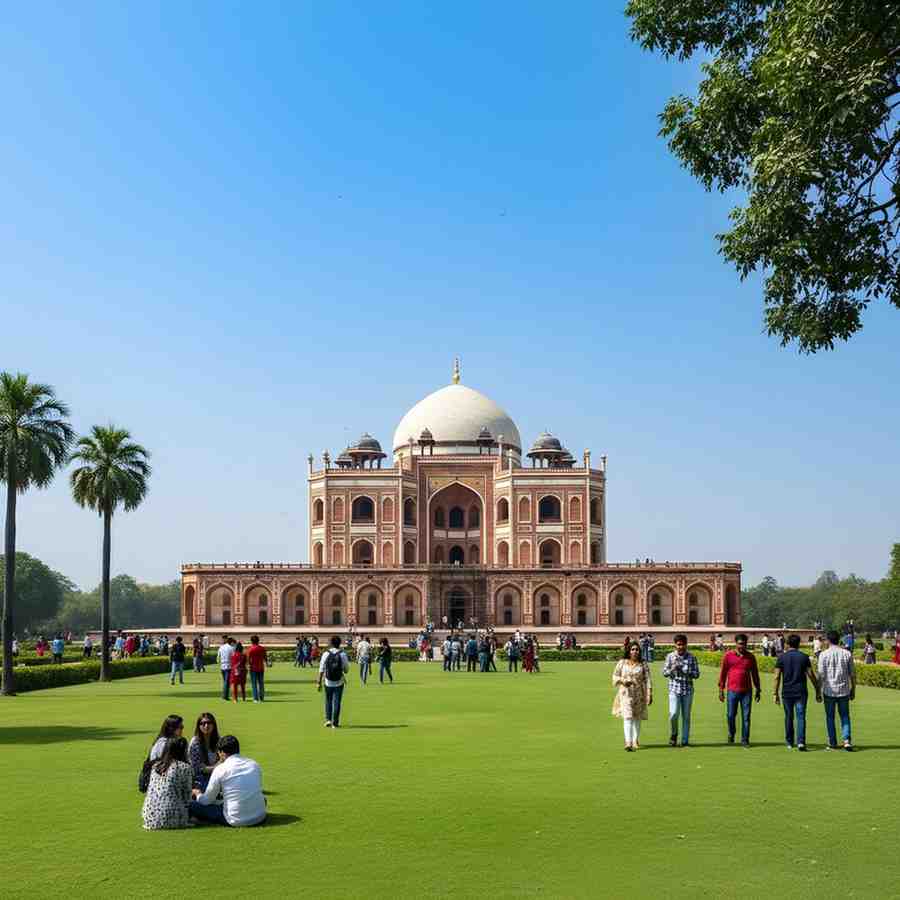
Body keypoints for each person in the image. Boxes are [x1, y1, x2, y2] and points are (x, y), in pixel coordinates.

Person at [189, 735, 267, 827]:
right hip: (260, 816)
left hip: (235, 819)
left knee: (192, 805)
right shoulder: (253, 764)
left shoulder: (220, 769)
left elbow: (207, 800)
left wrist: (197, 794)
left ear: (222, 753)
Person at [773, 634, 820, 750]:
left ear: (787, 644)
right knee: (801, 717)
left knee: (789, 717)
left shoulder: (782, 658)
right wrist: (817, 690)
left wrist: (775, 693)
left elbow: (777, 677)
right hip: (801, 692)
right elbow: (811, 675)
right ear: (799, 644)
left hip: (787, 692)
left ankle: (789, 742)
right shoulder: (804, 657)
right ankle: (801, 742)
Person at [717, 633, 761, 746]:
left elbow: (755, 674)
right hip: (732, 690)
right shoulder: (728, 656)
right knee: (731, 715)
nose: (742, 646)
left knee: (746, 717)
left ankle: (745, 739)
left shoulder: (750, 657)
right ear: (736, 643)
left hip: (747, 691)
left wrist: (758, 689)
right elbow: (723, 673)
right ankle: (731, 733)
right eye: (740, 643)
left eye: (744, 644)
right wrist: (721, 689)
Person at [142, 737, 192, 830]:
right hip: (173, 818)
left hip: (149, 817)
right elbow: (187, 796)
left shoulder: (156, 766)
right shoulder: (184, 767)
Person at [818, 630, 856, 751]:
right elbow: (852, 674)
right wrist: (853, 689)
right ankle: (846, 741)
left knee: (830, 717)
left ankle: (832, 742)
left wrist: (818, 691)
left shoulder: (823, 654)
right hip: (844, 690)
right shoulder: (847, 653)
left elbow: (821, 675)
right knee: (845, 716)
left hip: (829, 690)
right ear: (839, 639)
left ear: (828, 640)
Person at [612, 641, 652, 751]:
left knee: (637, 718)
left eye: (637, 649)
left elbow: (648, 679)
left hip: (639, 693)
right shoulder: (622, 663)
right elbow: (615, 676)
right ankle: (628, 742)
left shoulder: (643, 664)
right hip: (625, 693)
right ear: (629, 651)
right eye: (632, 649)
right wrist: (623, 681)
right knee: (628, 717)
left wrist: (649, 693)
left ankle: (635, 740)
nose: (635, 652)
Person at [662, 634, 700, 747]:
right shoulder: (670, 657)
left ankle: (685, 740)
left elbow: (697, 674)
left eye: (683, 644)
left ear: (686, 645)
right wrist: (673, 669)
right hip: (674, 689)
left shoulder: (691, 657)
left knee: (686, 716)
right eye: (678, 644)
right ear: (675, 645)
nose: (681, 647)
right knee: (673, 714)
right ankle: (674, 734)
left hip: (687, 689)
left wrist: (686, 671)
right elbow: (664, 673)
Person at [318, 635, 350, 727]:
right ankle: (335, 723)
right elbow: (346, 670)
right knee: (337, 702)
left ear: (331, 643)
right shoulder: (342, 654)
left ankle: (328, 720)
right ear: (339, 643)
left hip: (328, 681)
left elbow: (321, 669)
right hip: (339, 681)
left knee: (328, 700)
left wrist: (318, 683)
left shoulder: (326, 654)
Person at [189, 712, 221, 790]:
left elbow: (225, 762)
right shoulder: (195, 742)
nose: (206, 726)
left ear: (214, 725)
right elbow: (197, 768)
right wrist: (216, 767)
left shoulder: (220, 741)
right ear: (198, 726)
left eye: (209, 723)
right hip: (200, 779)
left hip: (217, 777)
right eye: (202, 723)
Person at [247, 635, 268, 702]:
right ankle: (261, 698)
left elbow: (248, 659)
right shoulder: (262, 648)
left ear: (251, 641)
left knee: (254, 684)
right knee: (261, 683)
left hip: (253, 668)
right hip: (260, 668)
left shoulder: (250, 649)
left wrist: (248, 665)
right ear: (258, 641)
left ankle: (255, 698)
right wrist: (267, 663)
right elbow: (265, 658)